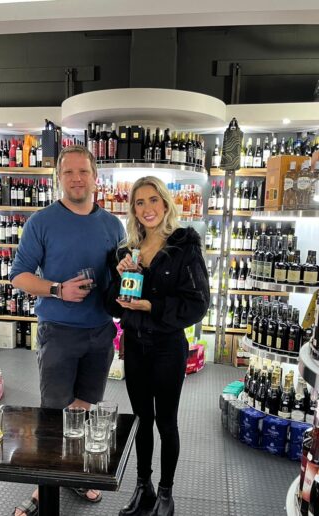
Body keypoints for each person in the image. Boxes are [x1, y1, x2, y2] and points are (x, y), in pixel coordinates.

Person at [10, 145, 125, 516]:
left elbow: (120, 276)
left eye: (83, 171)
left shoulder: (113, 225)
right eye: (69, 172)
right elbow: (19, 276)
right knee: (53, 413)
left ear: (95, 177)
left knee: (83, 408)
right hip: (58, 332)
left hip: (101, 331)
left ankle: (71, 473)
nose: (77, 179)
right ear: (58, 177)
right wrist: (58, 289)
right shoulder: (41, 222)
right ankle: (42, 490)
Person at [105, 176, 209, 516]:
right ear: (133, 210)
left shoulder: (184, 247)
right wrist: (119, 278)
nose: (147, 208)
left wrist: (152, 306)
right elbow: (112, 304)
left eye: (153, 200)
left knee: (166, 422)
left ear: (165, 204)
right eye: (140, 202)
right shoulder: (125, 252)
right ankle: (143, 487)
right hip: (135, 347)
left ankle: (166, 493)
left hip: (167, 348)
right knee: (141, 420)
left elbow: (197, 303)